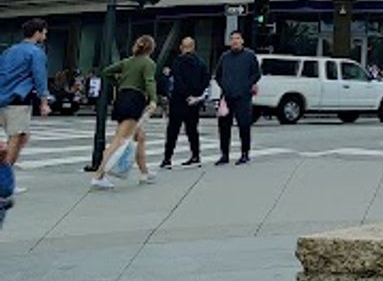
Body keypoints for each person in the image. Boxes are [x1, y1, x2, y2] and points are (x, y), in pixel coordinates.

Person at [92, 35, 158, 189]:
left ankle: (144, 172)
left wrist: (119, 82)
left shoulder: (128, 61)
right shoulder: (148, 63)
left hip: (122, 97)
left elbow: (106, 71)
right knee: (120, 139)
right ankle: (99, 175)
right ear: (151, 48)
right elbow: (149, 81)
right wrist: (153, 99)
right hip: (135, 99)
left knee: (139, 136)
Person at [0, 18, 51, 192]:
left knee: (22, 136)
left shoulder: (9, 51)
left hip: (3, 97)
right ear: (37, 33)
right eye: (44, 32)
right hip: (18, 100)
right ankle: (4, 179)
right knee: (17, 136)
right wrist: (44, 101)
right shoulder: (36, 52)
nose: (45, 35)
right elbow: (39, 77)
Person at [213, 30, 261, 166]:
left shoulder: (249, 56)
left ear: (242, 41)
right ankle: (224, 154)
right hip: (227, 97)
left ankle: (245, 154)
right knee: (224, 126)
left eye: (237, 38)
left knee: (244, 125)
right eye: (232, 39)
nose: (234, 41)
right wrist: (225, 86)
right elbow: (218, 75)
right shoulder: (225, 57)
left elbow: (256, 74)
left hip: (243, 97)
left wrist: (247, 85)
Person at [162, 37, 210, 169]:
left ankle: (167, 158)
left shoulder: (178, 61)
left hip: (179, 100)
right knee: (192, 129)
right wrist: (195, 95)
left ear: (182, 47)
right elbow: (205, 80)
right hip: (193, 102)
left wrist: (186, 95)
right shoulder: (201, 63)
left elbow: (178, 80)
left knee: (173, 130)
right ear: (193, 48)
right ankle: (195, 155)